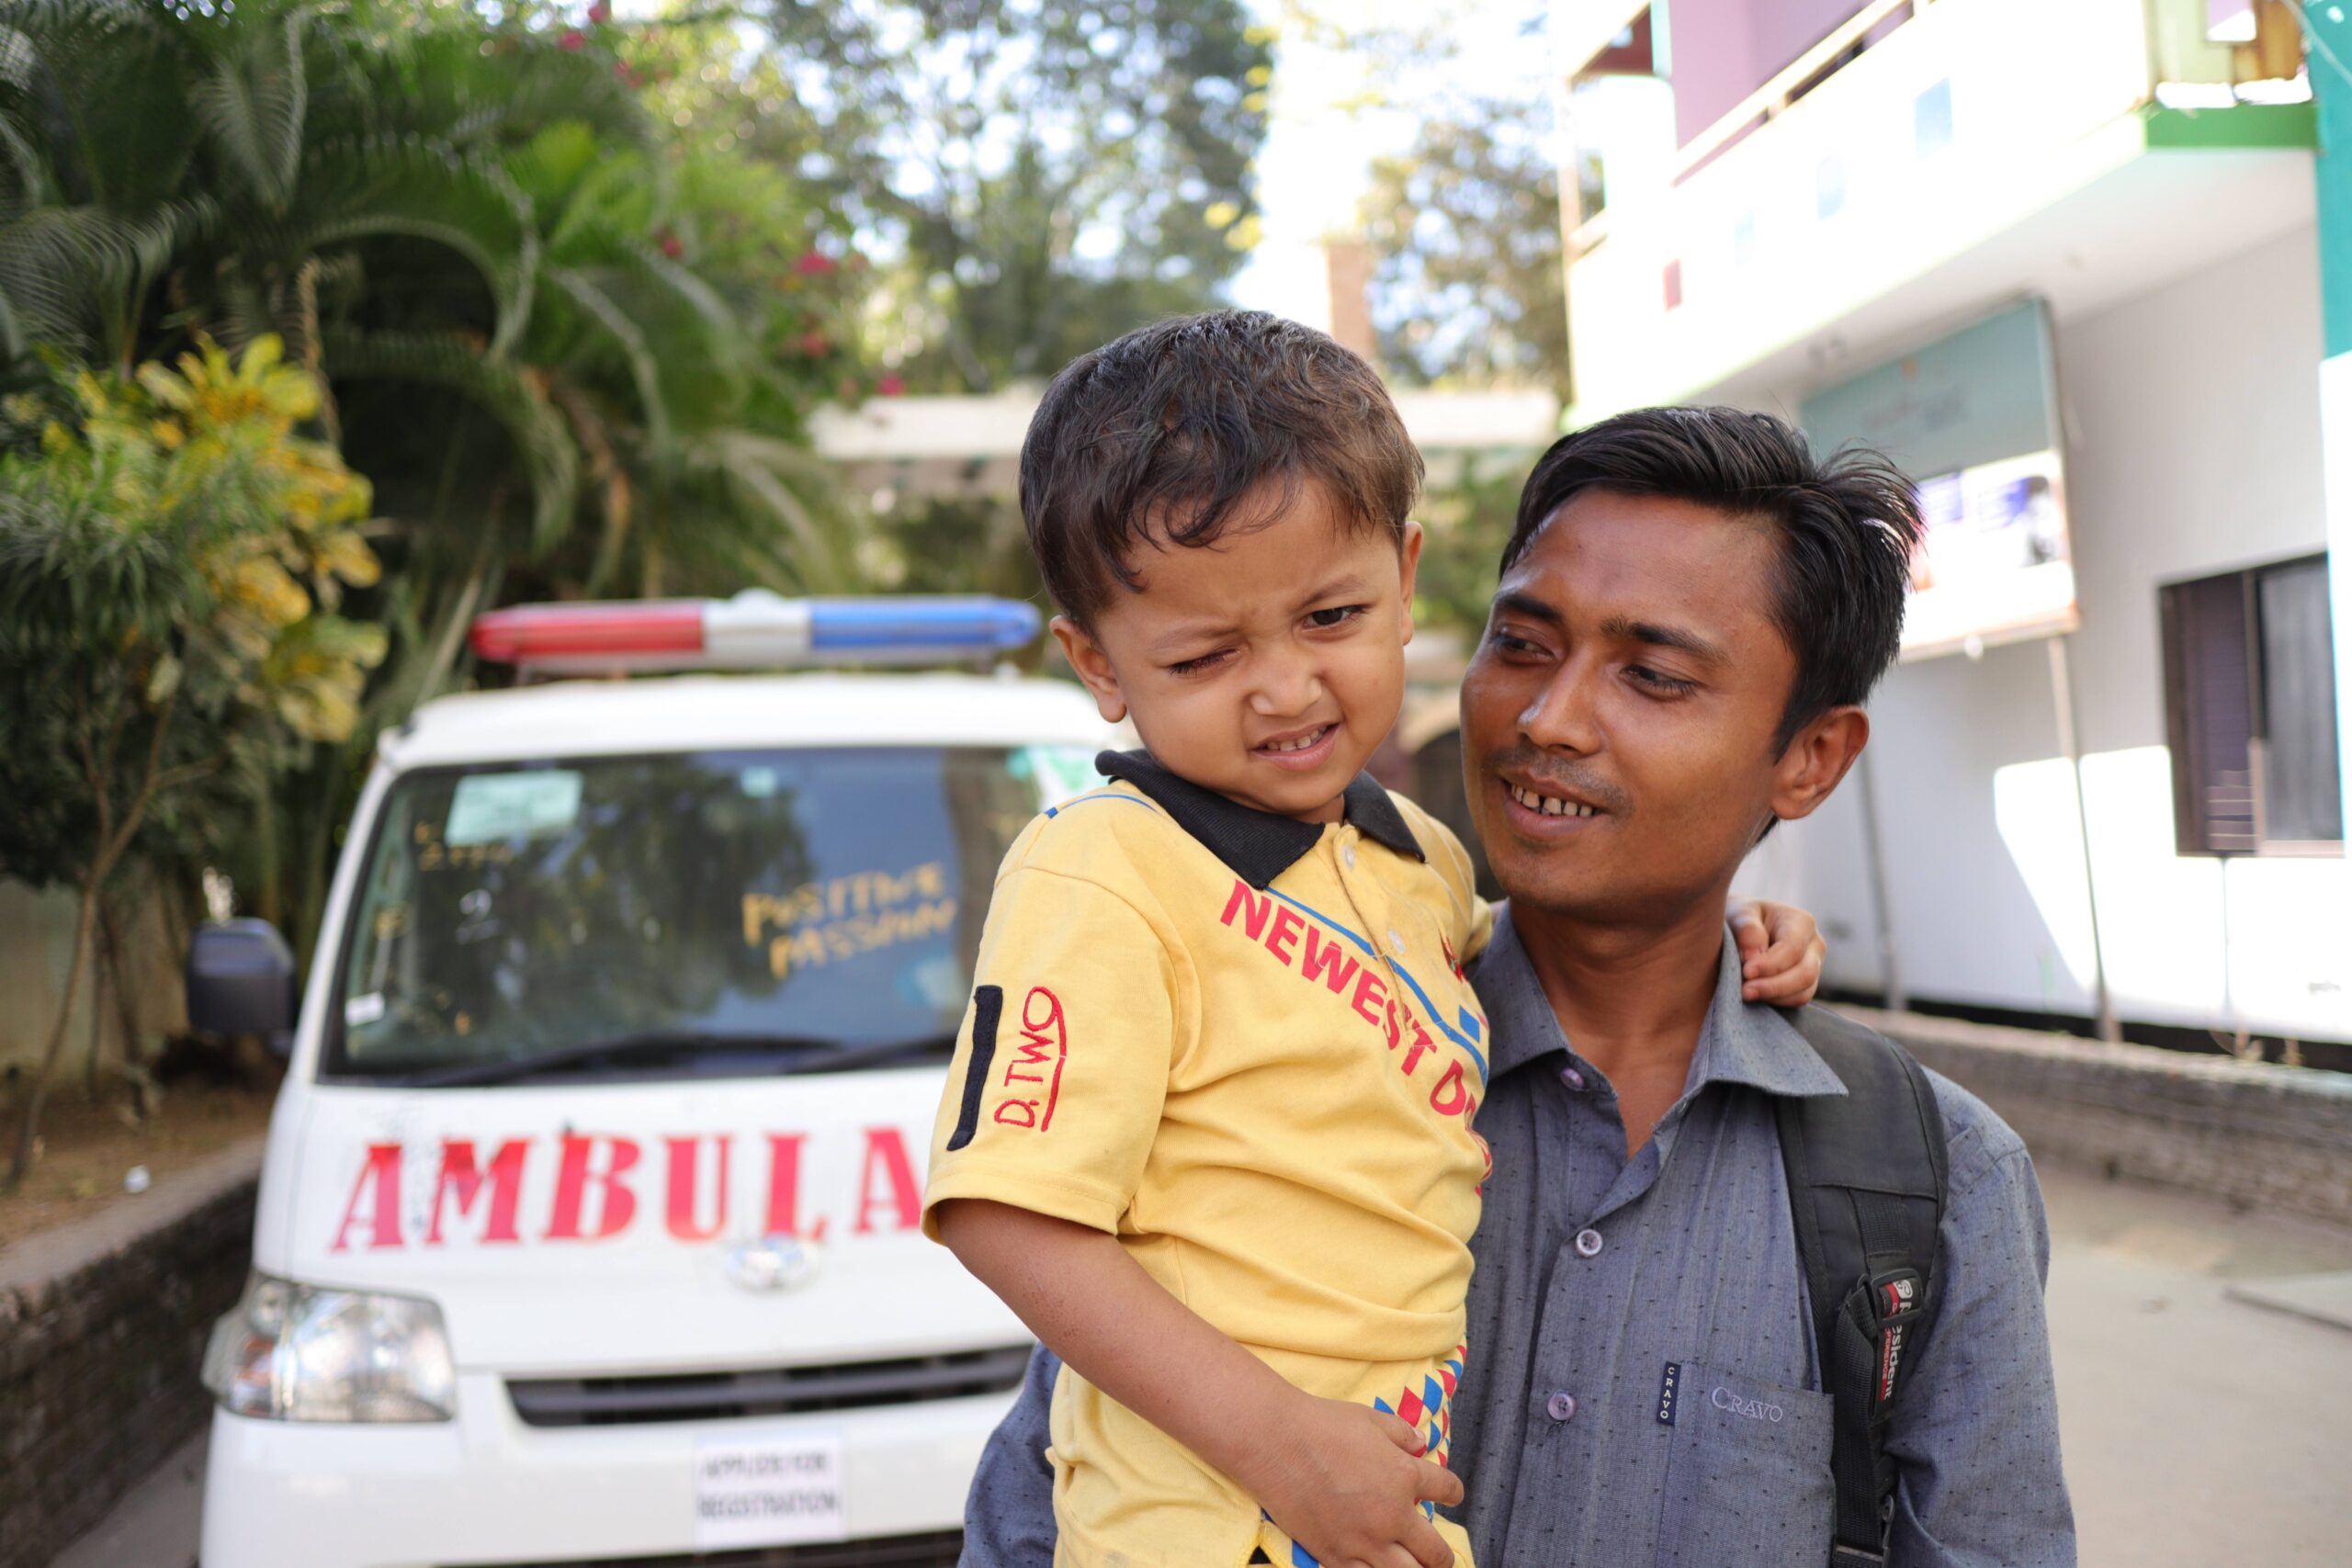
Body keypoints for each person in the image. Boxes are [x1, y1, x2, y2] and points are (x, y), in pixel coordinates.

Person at [959, 405, 2077, 1568]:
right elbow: (1036, 1505)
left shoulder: (1930, 1186)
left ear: (1808, 758)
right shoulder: (1261, 1056)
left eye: (1651, 675)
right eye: (1525, 644)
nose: (1548, 719)